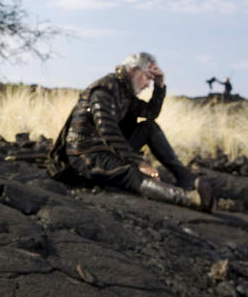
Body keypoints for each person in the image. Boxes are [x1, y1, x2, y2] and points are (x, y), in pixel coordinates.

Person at [48, 52, 213, 212]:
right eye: (148, 78)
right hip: (86, 154)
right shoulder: (104, 89)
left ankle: (187, 179)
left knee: (149, 127)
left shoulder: (125, 91)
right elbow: (107, 130)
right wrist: (139, 163)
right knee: (131, 172)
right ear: (134, 70)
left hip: (107, 150)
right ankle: (190, 199)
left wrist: (160, 85)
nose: (148, 84)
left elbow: (150, 113)